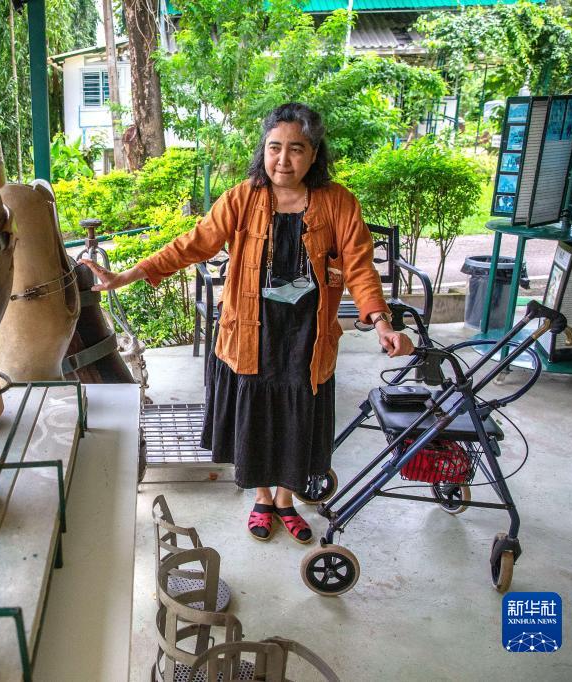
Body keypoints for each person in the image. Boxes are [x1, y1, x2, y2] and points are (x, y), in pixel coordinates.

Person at [81, 102, 413, 544]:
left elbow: (359, 267)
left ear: (314, 153)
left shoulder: (338, 202)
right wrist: (128, 274)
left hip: (308, 335)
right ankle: (262, 497)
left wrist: (383, 323)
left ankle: (285, 500)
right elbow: (193, 244)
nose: (283, 159)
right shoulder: (243, 197)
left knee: (297, 416)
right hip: (251, 332)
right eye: (275, 147)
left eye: (296, 149)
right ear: (264, 150)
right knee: (256, 416)